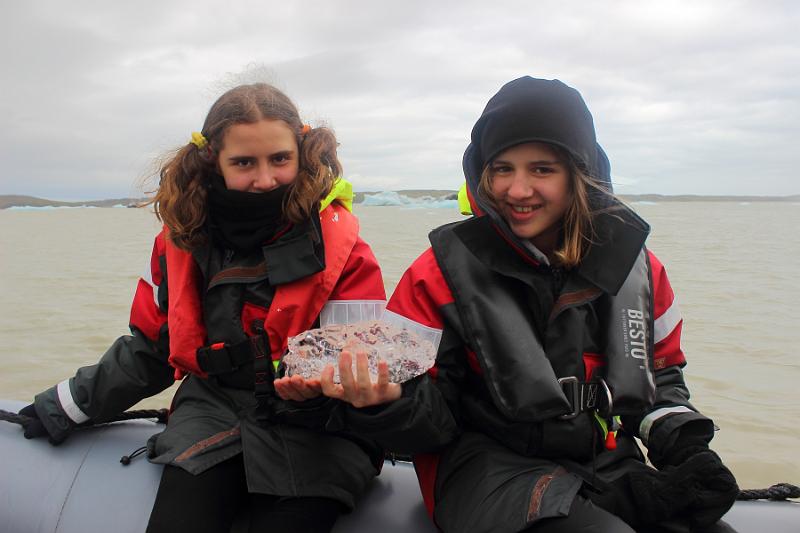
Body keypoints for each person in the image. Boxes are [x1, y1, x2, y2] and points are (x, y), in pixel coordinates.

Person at [317, 77, 740, 532]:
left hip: (605, 462)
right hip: (486, 472)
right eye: (502, 169)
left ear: (580, 174)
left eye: (542, 169)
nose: (517, 191)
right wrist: (387, 402)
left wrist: (691, 452)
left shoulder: (641, 270)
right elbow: (430, 422)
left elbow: (660, 381)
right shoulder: (435, 275)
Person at [18, 83, 387, 533]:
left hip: (319, 425)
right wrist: (64, 406)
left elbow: (363, 355)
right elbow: (154, 346)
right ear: (214, 159)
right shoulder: (181, 240)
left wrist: (320, 391)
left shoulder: (344, 246)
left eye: (280, 159)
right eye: (244, 163)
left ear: (302, 152)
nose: (265, 179)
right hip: (213, 412)